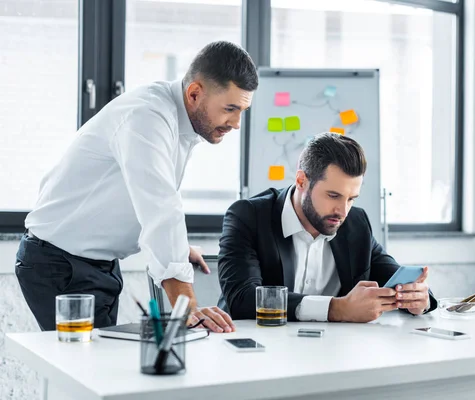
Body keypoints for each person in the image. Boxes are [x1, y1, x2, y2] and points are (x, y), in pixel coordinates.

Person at [15, 41, 257, 333]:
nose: (236, 123)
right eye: (230, 109)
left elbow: (150, 202)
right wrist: (189, 309)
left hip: (96, 263)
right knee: (89, 370)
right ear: (194, 93)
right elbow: (161, 210)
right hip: (59, 263)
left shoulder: (181, 119)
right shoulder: (148, 117)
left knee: (101, 369)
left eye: (242, 110)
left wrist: (178, 250)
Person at [218, 133, 437, 323]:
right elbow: (242, 299)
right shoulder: (248, 216)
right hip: (260, 351)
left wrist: (417, 299)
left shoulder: (356, 223)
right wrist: (338, 308)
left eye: (351, 199)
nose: (342, 211)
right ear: (302, 181)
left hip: (332, 355)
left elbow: (393, 276)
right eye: (333, 195)